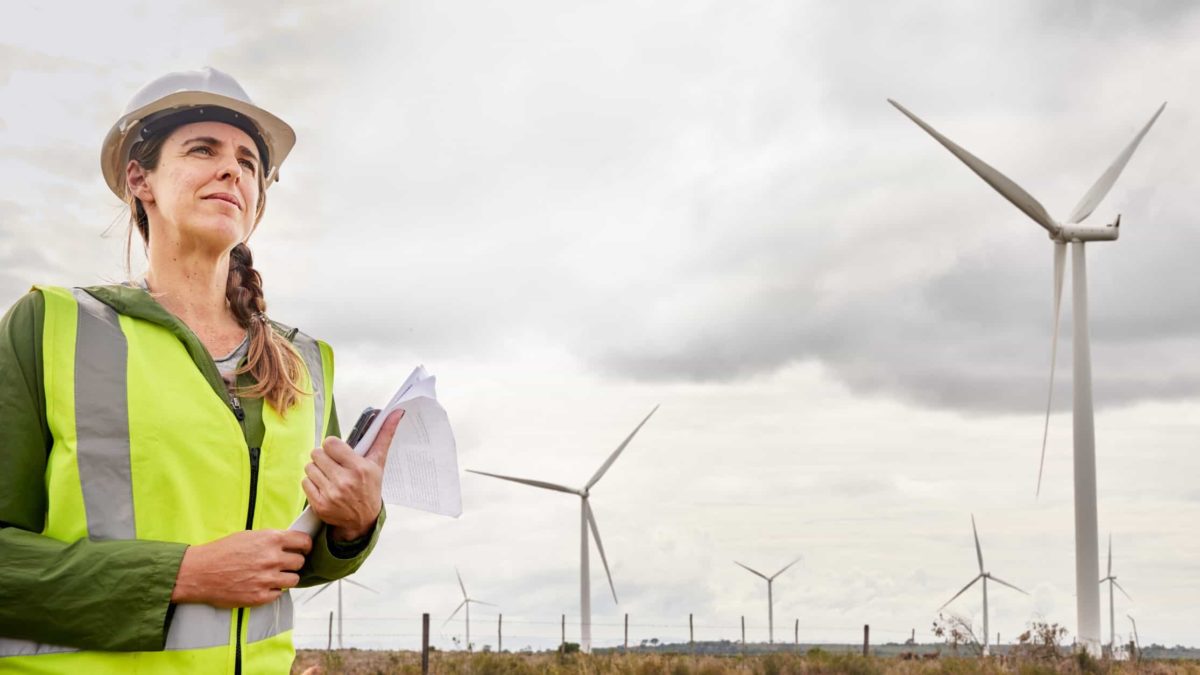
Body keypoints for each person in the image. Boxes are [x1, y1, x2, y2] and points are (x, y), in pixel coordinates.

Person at [0, 67, 401, 673]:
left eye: (248, 162)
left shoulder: (306, 365)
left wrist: (356, 524)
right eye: (202, 150)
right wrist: (183, 574)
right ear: (141, 179)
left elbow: (299, 555)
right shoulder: (51, 327)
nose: (231, 171)